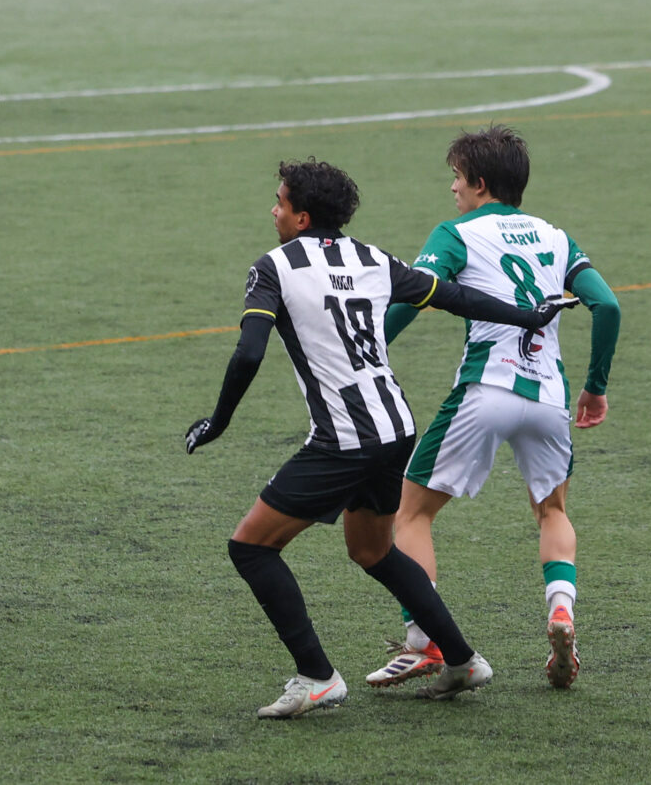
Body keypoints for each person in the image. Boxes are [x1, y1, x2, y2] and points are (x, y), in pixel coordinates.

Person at [182, 159, 562, 719]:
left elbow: (249, 351)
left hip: (344, 440)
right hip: (395, 430)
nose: (274, 210)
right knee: (372, 550)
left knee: (252, 546)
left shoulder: (274, 268)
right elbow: (454, 297)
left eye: (280, 202)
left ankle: (317, 676)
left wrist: (219, 420)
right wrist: (526, 317)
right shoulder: (373, 259)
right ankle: (462, 660)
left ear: (302, 216)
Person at [363, 126, 622, 692]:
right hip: (548, 398)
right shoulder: (556, 237)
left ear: (479, 183)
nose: (452, 188)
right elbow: (607, 305)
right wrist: (595, 387)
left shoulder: (457, 233)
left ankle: (423, 641)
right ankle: (560, 610)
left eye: (457, 177)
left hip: (486, 390)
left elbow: (416, 291)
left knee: (410, 514)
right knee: (552, 511)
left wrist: (370, 351)